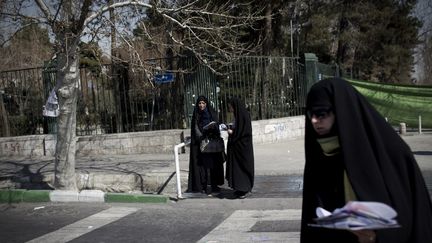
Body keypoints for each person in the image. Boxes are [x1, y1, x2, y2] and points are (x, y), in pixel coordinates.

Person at [300, 77, 432, 243]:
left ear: (341, 110)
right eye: (311, 114)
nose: (314, 121)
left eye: (321, 114)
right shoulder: (320, 155)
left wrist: (377, 236)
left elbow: (412, 217)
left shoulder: (392, 153)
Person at [186, 95, 225, 194]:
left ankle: (214, 185)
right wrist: (202, 134)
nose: (201, 105)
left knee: (214, 165)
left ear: (206, 104)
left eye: (203, 103)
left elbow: (217, 125)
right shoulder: (197, 114)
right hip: (202, 144)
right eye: (199, 103)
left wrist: (213, 128)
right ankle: (203, 186)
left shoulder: (212, 113)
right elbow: (195, 128)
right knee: (204, 167)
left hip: (213, 144)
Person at [225, 97, 254, 199]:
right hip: (237, 148)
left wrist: (232, 132)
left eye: (231, 107)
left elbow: (244, 133)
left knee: (243, 168)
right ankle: (238, 188)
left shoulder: (243, 116)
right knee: (237, 169)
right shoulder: (237, 116)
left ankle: (244, 189)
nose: (230, 109)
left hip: (243, 148)